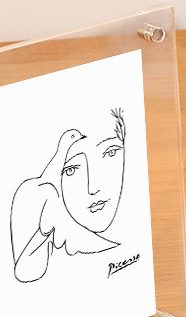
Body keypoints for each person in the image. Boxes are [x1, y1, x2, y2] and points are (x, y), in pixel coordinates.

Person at [9, 108, 126, 283]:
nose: (92, 188)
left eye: (111, 153)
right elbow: (25, 272)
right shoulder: (42, 190)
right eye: (71, 170)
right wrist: (42, 233)